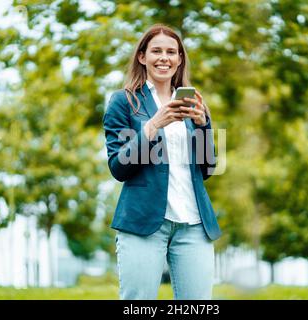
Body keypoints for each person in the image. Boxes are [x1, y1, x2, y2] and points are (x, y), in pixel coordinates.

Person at [103, 24, 221, 300]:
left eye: (171, 52)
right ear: (142, 57)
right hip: (142, 223)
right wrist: (154, 125)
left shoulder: (193, 104)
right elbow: (118, 167)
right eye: (156, 51)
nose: (164, 58)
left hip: (193, 224)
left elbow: (208, 169)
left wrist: (204, 126)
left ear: (180, 59)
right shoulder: (124, 102)